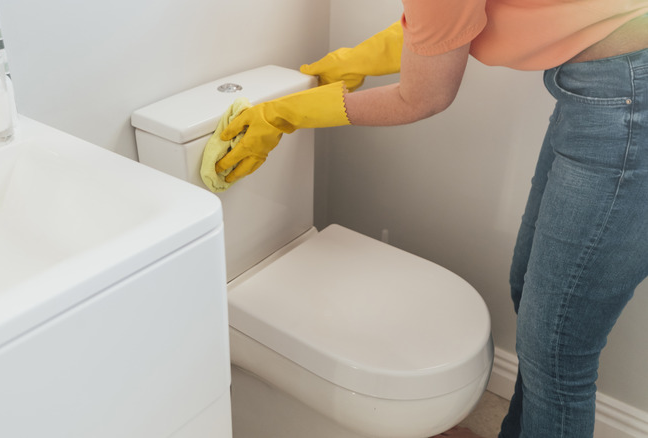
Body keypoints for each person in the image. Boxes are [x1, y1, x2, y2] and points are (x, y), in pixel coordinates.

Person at [214, 0, 648, 437]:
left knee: (556, 349)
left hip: (626, 95)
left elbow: (423, 95)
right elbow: (452, 24)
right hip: (601, 90)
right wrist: (350, 62)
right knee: (532, 300)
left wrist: (289, 113)